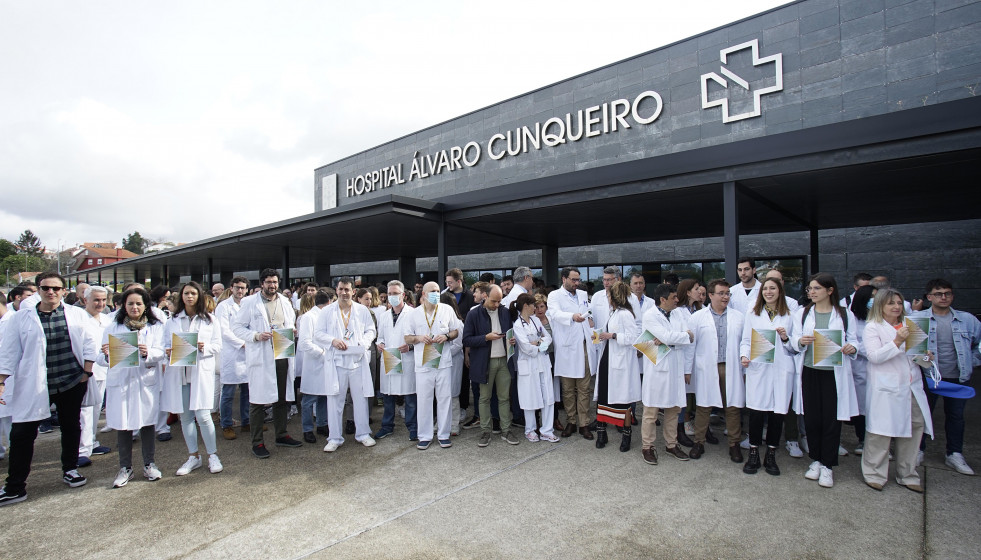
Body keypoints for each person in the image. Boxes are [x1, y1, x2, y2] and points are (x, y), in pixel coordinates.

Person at [0, 272, 97, 506]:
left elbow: (89, 342)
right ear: (38, 290)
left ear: (64, 291)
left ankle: (70, 468)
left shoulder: (76, 315)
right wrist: (1, 381)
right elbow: (9, 352)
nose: (51, 292)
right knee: (22, 433)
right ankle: (15, 485)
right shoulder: (21, 318)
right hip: (35, 384)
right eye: (45, 288)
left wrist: (86, 372)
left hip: (71, 381)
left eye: (56, 288)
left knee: (71, 426)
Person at [861, 288, 934, 492]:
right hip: (886, 387)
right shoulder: (873, 328)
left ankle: (907, 474)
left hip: (911, 385)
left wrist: (926, 356)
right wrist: (897, 341)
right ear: (881, 306)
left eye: (899, 303)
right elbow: (874, 356)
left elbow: (917, 359)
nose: (896, 307)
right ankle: (874, 473)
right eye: (891, 303)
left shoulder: (912, 326)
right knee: (880, 432)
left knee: (913, 428)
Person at [791, 273, 860, 488]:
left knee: (831, 419)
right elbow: (793, 341)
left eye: (816, 288)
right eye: (810, 288)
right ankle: (816, 460)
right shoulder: (802, 314)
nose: (811, 292)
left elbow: (855, 341)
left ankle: (828, 465)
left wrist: (852, 348)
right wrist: (800, 341)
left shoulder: (845, 315)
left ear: (830, 291)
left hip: (833, 373)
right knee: (812, 419)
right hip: (809, 370)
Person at [98, 288, 167, 488]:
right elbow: (100, 358)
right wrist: (107, 356)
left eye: (138, 303)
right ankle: (125, 467)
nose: (134, 307)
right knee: (123, 424)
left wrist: (149, 353)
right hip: (122, 382)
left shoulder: (155, 327)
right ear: (123, 306)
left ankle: (149, 464)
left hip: (145, 380)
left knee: (147, 423)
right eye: (130, 304)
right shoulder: (113, 328)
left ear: (146, 306)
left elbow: (162, 352)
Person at [231, 268, 302, 459]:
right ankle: (257, 442)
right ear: (262, 283)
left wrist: (292, 330)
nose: (272, 285)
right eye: (269, 282)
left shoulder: (285, 301)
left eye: (275, 282)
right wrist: (255, 335)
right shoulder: (249, 302)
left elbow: (290, 322)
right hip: (261, 354)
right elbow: (236, 327)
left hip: (282, 352)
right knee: (258, 400)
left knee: (282, 397)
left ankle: (281, 434)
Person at [916, 278, 981, 475]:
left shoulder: (968, 319)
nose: (943, 297)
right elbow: (911, 348)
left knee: (956, 416)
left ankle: (954, 453)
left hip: (958, 377)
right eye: (938, 294)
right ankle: (918, 450)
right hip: (929, 376)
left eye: (947, 293)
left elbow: (979, 344)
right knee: (923, 415)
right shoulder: (920, 319)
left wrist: (973, 360)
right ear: (929, 297)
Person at [162, 282, 224, 476]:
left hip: (200, 371)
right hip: (181, 372)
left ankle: (212, 454)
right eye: (186, 293)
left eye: (193, 293)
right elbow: (164, 345)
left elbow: (218, 346)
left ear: (199, 296)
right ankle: (193, 456)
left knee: (204, 416)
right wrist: (168, 351)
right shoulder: (172, 320)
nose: (189, 296)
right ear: (181, 296)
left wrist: (203, 346)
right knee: (186, 417)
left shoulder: (210, 320)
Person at [739, 277, 797, 476]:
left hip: (781, 370)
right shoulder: (753, 314)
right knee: (755, 412)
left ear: (780, 291)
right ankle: (753, 453)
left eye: (773, 288)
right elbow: (746, 340)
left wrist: (785, 338)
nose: (769, 292)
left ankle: (771, 454)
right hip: (759, 368)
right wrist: (745, 355)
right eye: (765, 289)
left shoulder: (790, 315)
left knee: (777, 414)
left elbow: (796, 346)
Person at [315, 277, 377, 452]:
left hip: (357, 361)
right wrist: (333, 340)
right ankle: (334, 437)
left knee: (360, 399)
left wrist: (364, 343)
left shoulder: (362, 311)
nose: (344, 292)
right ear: (336, 290)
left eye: (347, 289)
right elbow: (318, 334)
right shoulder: (327, 312)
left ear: (353, 291)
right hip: (337, 362)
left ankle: (363, 434)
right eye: (341, 289)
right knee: (335, 400)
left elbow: (371, 330)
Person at [688, 280, 746, 463]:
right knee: (703, 406)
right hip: (707, 367)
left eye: (727, 293)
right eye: (721, 293)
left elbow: (745, 342)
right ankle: (699, 442)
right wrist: (687, 370)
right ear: (711, 295)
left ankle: (734, 444)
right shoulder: (698, 317)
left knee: (732, 407)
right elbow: (690, 345)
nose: (725, 296)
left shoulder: (738, 317)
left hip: (731, 366)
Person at [639, 283, 694, 465]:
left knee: (674, 409)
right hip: (658, 369)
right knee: (651, 411)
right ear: (663, 300)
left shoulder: (678, 313)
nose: (677, 300)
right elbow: (672, 337)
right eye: (673, 297)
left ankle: (671, 444)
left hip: (676, 367)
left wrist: (671, 338)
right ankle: (647, 446)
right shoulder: (649, 316)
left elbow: (689, 336)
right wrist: (679, 337)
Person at [406, 282, 462, 449]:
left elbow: (455, 331)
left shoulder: (447, 310)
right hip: (423, 363)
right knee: (424, 399)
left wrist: (446, 336)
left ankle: (444, 434)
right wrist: (419, 338)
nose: (436, 294)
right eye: (432, 291)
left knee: (445, 398)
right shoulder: (414, 314)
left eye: (438, 291)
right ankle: (424, 435)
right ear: (423, 294)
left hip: (443, 361)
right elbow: (407, 337)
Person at [463, 284, 517, 447]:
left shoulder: (505, 311)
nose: (496, 304)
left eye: (499, 301)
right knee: (484, 398)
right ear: (484, 296)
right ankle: (485, 431)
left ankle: (506, 429)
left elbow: (512, 331)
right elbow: (466, 340)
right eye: (494, 301)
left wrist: (512, 340)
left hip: (503, 360)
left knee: (504, 398)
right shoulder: (474, 313)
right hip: (484, 362)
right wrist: (485, 337)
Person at [547, 267, 596, 440]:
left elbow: (589, 312)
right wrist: (572, 317)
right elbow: (554, 313)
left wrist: (590, 319)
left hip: (583, 345)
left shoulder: (582, 295)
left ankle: (584, 423)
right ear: (564, 279)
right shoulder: (555, 296)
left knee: (584, 388)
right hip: (567, 347)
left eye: (578, 280)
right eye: (574, 280)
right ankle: (571, 421)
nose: (577, 283)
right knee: (568, 389)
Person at [592, 282, 641, 451]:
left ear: (614, 296)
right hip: (608, 359)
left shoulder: (626, 314)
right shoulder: (613, 313)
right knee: (604, 397)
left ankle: (626, 436)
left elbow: (633, 338)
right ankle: (601, 433)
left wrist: (612, 335)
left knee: (622, 400)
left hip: (621, 362)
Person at [509, 293, 559, 443]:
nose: (536, 309)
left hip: (542, 363)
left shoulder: (536, 320)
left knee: (548, 398)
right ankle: (530, 430)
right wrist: (539, 343)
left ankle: (547, 430)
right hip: (529, 366)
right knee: (530, 399)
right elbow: (525, 348)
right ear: (526, 306)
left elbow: (549, 339)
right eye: (533, 306)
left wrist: (535, 343)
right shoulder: (517, 325)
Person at [374, 281, 418, 441]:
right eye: (390, 294)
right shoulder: (384, 316)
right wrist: (380, 344)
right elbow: (380, 336)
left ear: (403, 295)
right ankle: (387, 426)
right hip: (389, 357)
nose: (392, 297)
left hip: (406, 358)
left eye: (395, 293)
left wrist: (410, 347)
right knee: (388, 396)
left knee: (410, 397)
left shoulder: (413, 314)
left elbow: (419, 337)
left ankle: (413, 427)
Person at [77, 285, 113, 468]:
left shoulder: (107, 320)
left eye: (103, 300)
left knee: (97, 410)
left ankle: (91, 442)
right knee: (85, 411)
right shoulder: (79, 319)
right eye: (96, 300)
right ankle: (82, 449)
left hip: (104, 370)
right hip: (86, 372)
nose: (100, 304)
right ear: (86, 300)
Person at [215, 277, 251, 440]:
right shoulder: (223, 306)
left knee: (246, 390)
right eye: (237, 288)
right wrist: (242, 343)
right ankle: (226, 424)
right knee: (228, 392)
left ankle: (246, 421)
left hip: (248, 352)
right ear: (231, 288)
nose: (240, 291)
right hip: (231, 352)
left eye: (243, 288)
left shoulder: (248, 304)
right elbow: (224, 331)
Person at [846, 285, 877, 455]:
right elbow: (853, 342)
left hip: (882, 369)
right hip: (860, 368)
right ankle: (862, 439)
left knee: (879, 408)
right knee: (862, 407)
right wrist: (877, 350)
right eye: (871, 297)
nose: (874, 300)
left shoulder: (882, 319)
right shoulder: (853, 318)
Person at [297, 291, 330, 443]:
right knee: (309, 400)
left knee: (324, 396)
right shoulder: (309, 317)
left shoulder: (327, 317)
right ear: (328, 303)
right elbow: (305, 342)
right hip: (314, 363)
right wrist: (322, 354)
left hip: (327, 363)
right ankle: (307, 429)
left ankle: (322, 424)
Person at [439, 293, 466, 435]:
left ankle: (454, 423)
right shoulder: (440, 321)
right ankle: (441, 421)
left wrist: (442, 354)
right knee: (442, 394)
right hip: (441, 362)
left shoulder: (458, 323)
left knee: (453, 394)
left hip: (453, 361)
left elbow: (458, 345)